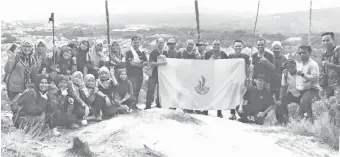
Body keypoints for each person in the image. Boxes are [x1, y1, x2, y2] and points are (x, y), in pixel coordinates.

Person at [203, 40, 229, 118]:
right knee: (207, 93)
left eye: (218, 44)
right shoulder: (208, 53)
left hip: (219, 76)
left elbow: (228, 64)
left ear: (220, 45)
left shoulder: (223, 54)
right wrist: (210, 60)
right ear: (212, 45)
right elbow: (203, 64)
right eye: (214, 44)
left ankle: (219, 112)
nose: (216, 46)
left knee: (219, 94)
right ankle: (205, 110)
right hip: (210, 75)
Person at [295, 45, 320, 122]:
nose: (302, 54)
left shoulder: (313, 64)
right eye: (300, 53)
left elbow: (315, 78)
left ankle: (297, 122)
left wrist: (303, 74)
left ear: (309, 53)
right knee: (308, 109)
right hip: (303, 90)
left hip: (312, 89)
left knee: (303, 103)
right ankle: (310, 125)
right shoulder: (301, 63)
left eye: (304, 52)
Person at [228, 40, 251, 120]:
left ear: (242, 47)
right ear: (233, 46)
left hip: (242, 78)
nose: (238, 47)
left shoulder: (246, 57)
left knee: (241, 96)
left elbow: (248, 68)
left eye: (239, 46)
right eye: (236, 46)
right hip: (233, 79)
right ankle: (232, 113)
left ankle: (240, 114)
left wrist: (247, 78)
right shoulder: (230, 56)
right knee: (232, 96)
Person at [275, 59, 300, 125]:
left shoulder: (300, 73)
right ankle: (284, 121)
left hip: (302, 94)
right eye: (288, 67)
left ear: (295, 66)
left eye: (292, 66)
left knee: (305, 105)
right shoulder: (285, 74)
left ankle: (307, 121)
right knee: (279, 105)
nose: (291, 68)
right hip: (291, 93)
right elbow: (283, 87)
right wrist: (280, 99)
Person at [145, 37, 168, 110]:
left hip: (162, 75)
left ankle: (159, 103)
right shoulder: (153, 52)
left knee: (160, 90)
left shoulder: (165, 52)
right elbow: (151, 63)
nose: (161, 44)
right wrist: (160, 63)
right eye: (159, 42)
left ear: (164, 44)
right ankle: (148, 105)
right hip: (154, 74)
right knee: (151, 89)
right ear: (156, 43)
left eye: (162, 42)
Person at [125, 36, 148, 103]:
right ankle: (132, 105)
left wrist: (137, 63)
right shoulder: (129, 52)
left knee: (138, 89)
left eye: (138, 42)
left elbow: (146, 62)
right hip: (131, 75)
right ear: (131, 43)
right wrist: (141, 64)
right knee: (133, 90)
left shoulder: (142, 52)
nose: (136, 44)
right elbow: (131, 63)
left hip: (140, 74)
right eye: (134, 43)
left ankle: (135, 105)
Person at [320, 32, 340, 98]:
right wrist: (322, 86)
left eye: (327, 40)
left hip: (338, 85)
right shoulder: (324, 55)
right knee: (330, 106)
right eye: (323, 41)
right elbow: (323, 72)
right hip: (329, 85)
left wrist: (330, 65)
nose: (325, 42)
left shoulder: (338, 51)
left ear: (333, 40)